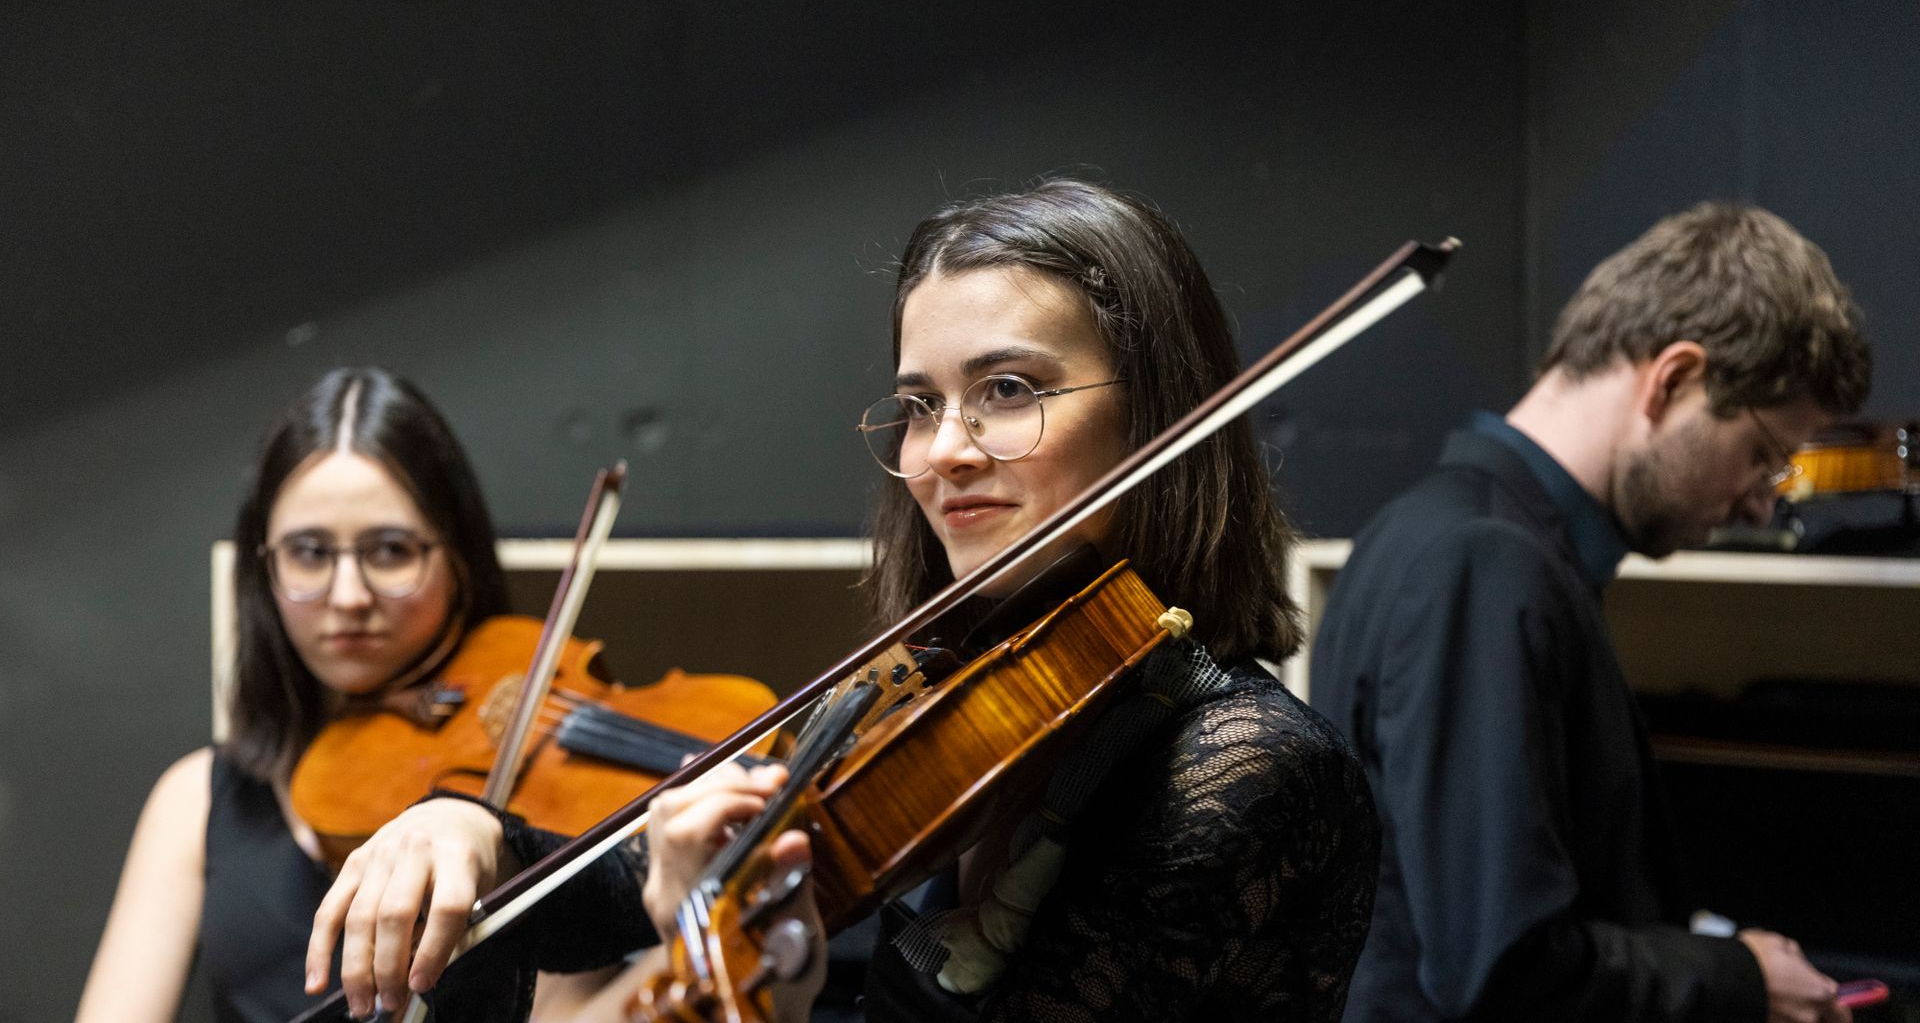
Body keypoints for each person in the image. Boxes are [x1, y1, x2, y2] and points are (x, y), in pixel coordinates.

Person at [305, 178, 1383, 1022]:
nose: (944, 453)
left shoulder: (1244, 769)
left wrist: (737, 980)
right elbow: (599, 888)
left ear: (1156, 414)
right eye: (920, 404)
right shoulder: (937, 690)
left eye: (1007, 391)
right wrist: (468, 829)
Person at [1310, 203, 1872, 1023]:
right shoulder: (1484, 563)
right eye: (1763, 455)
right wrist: (1734, 976)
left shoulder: (1464, 535)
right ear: (1674, 379)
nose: (1760, 506)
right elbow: (1504, 971)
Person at [76, 367, 636, 1023]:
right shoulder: (194, 799)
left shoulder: (546, 788)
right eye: (310, 552)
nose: (348, 596)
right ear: (266, 565)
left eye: (391, 551)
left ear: (457, 559)